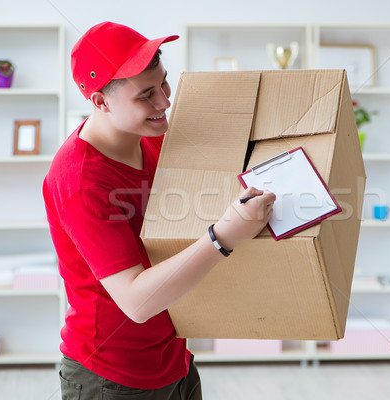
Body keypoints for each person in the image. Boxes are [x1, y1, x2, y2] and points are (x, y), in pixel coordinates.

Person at [42, 21, 275, 400]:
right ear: (100, 102)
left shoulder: (153, 139)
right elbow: (136, 301)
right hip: (113, 377)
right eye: (146, 95)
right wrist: (222, 238)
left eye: (164, 84)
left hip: (174, 358)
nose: (165, 102)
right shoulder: (81, 182)